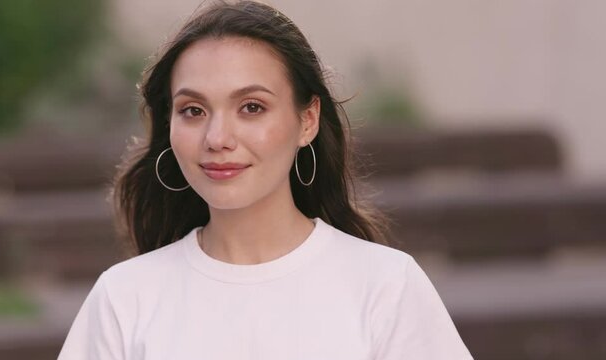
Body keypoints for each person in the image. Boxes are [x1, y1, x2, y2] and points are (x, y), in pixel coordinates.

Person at [57, 1, 473, 359]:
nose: (217, 139)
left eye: (251, 107)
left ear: (307, 120)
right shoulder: (123, 299)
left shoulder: (386, 287)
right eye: (193, 110)